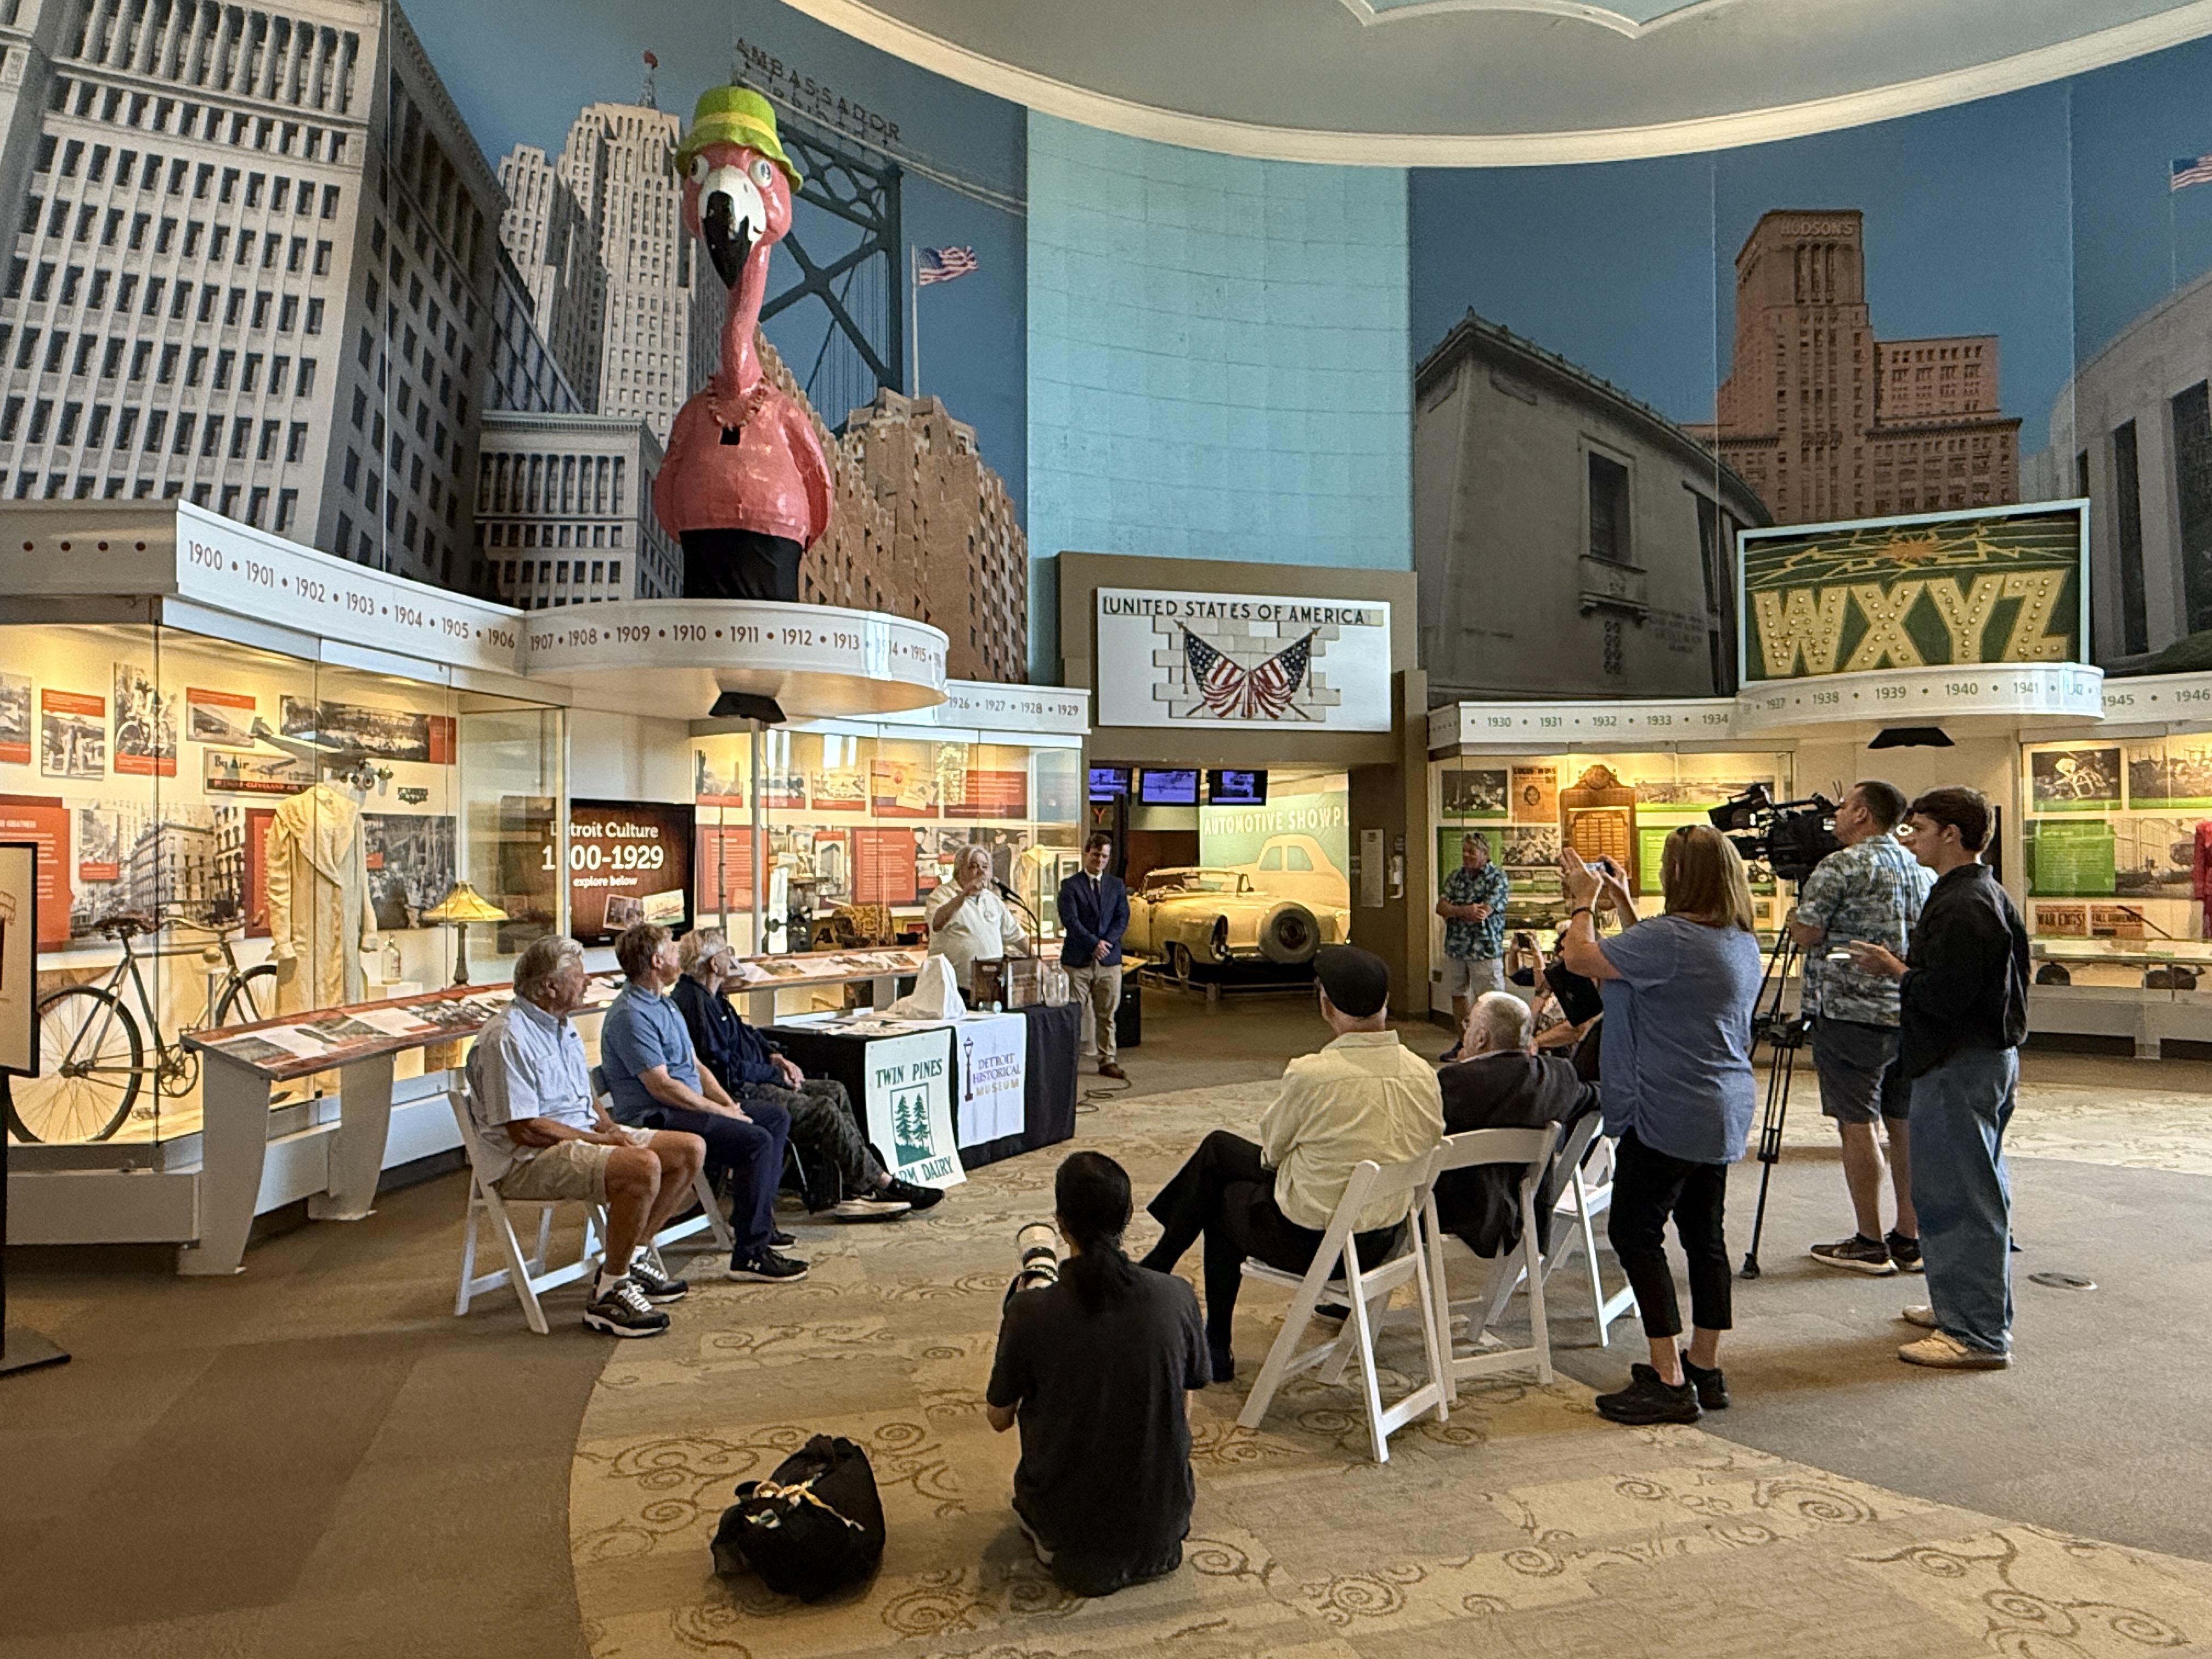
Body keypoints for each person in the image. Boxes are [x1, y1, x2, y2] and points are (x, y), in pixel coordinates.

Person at [1138, 945, 1443, 1381]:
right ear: (1386, 1004)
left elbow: (1271, 1154)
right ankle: (1165, 1269)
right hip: (1381, 1242)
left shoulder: (1313, 1074)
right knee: (1219, 1152)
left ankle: (1210, 1335)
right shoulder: (1423, 1074)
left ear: (1326, 1006)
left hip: (1315, 1244)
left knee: (1221, 1194)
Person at [1559, 826, 1760, 1425]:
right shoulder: (1736, 938)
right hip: (1719, 1103)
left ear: (1680, 878)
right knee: (1705, 1235)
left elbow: (1581, 957)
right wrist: (1622, 904)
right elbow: (1650, 962)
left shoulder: (1671, 939)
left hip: (1667, 1106)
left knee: (1635, 1231)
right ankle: (1704, 1365)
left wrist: (1582, 901)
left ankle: (1668, 1380)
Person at [1845, 787, 2029, 1372]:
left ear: (1952, 834)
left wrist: (1894, 968)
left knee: (1960, 1196)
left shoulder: (1962, 903)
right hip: (1977, 1061)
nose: (1911, 837)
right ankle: (1962, 1305)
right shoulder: (1978, 893)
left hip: (1958, 1064)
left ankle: (1975, 1332)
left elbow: (1946, 996)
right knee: (1971, 1189)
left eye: (1919, 828)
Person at [986, 1152, 1208, 1596]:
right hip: (1164, 1532)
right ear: (1127, 1218)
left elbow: (998, 1417)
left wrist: (1022, 1307)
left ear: (1061, 1222)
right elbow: (1183, 1408)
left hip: (1067, 1541)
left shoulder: (1031, 1312)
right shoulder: (1177, 1296)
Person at [461, 934, 704, 1338]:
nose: (588, 982)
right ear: (550, 986)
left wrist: (610, 1129)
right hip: (527, 1160)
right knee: (642, 1167)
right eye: (579, 976)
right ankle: (611, 1291)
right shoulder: (506, 1038)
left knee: (688, 1150)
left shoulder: (562, 1027)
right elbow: (525, 1128)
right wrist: (602, 1142)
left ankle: (634, 1255)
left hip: (578, 1138)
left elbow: (585, 1097)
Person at [670, 927, 939, 1219]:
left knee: (834, 1089)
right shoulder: (695, 1003)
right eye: (726, 952)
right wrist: (775, 1076)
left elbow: (746, 1034)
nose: (730, 957)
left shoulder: (713, 996)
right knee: (822, 1109)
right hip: (736, 1091)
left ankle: (854, 1190)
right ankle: (881, 1182)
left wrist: (776, 1057)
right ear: (713, 963)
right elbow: (724, 1070)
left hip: (754, 1077)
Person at [597, 923, 809, 1283]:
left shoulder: (664, 1003)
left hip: (686, 1107)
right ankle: (751, 1254)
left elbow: (694, 1066)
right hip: (657, 1117)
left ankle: (757, 1225)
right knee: (755, 1140)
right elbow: (662, 1086)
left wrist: (731, 1106)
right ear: (656, 960)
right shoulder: (631, 1015)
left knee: (774, 1118)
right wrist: (721, 1112)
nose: (680, 956)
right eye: (674, 950)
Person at [1788, 780, 1935, 1276]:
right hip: (1907, 1010)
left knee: (1857, 1123)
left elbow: (1807, 932)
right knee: (1904, 1123)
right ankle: (1910, 1238)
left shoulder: (1840, 866)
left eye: (1847, 806)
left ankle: (1870, 1240)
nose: (1836, 812)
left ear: (1864, 816)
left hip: (1850, 1013)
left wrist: (1799, 918)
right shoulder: (1921, 866)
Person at [1432, 991, 1599, 1260]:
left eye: (1468, 1025)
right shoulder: (1555, 1077)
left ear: (1481, 1038)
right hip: (1525, 1214)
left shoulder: (1450, 1084)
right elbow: (1596, 1095)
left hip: (1453, 1213)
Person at [1058, 832, 1130, 1080]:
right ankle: (1068, 1060)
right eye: (1096, 854)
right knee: (1074, 1015)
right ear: (1087, 853)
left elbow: (1123, 918)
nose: (1100, 860)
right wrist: (1093, 944)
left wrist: (1106, 944)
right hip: (1078, 962)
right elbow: (1071, 921)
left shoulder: (1116, 886)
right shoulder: (1070, 886)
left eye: (1105, 856)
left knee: (1107, 1015)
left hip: (1109, 961)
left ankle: (1107, 1060)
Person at [1435, 833, 1511, 1062]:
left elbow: (1483, 912)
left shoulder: (1497, 878)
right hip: (1457, 948)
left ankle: (1492, 1047)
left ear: (1485, 855)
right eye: (1465, 851)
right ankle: (1464, 1044)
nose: (1467, 856)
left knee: (1489, 1000)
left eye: (1472, 852)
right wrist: (1464, 911)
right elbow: (1441, 907)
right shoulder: (1456, 877)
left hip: (1485, 950)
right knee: (1458, 996)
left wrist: (1457, 910)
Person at [927, 843, 1029, 996]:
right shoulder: (942, 895)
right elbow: (937, 923)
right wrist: (964, 894)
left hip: (991, 985)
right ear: (959, 871)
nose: (981, 871)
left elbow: (1016, 935)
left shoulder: (992, 899)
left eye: (985, 867)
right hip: (953, 989)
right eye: (974, 866)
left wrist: (1035, 959)